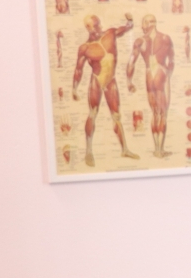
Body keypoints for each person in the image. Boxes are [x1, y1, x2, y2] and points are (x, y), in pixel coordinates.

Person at [71, 12, 139, 166]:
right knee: (93, 114)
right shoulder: (85, 48)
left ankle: (124, 149)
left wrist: (130, 20)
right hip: (96, 80)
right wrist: (74, 88)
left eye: (99, 23)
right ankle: (89, 151)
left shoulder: (110, 34)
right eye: (96, 25)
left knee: (117, 117)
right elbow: (78, 69)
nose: (99, 26)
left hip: (111, 81)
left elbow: (127, 28)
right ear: (89, 27)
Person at [126, 14, 175, 157]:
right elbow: (172, 60)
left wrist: (129, 82)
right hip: (161, 72)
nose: (142, 27)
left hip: (149, 75)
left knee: (155, 113)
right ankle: (160, 149)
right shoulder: (165, 38)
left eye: (143, 24)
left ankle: (156, 149)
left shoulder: (140, 41)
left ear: (149, 24)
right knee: (163, 113)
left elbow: (131, 62)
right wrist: (168, 73)